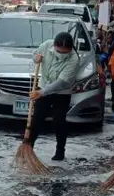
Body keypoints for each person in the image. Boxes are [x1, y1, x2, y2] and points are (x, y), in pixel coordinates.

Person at [28, 32, 80, 162]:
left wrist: (41, 93)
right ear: (54, 46)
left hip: (62, 92)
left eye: (64, 53)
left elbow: (62, 82)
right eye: (58, 51)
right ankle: (28, 147)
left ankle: (60, 151)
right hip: (44, 85)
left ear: (70, 49)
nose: (61, 54)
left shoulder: (74, 59)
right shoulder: (46, 45)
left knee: (59, 120)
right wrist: (37, 58)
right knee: (37, 118)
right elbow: (34, 55)